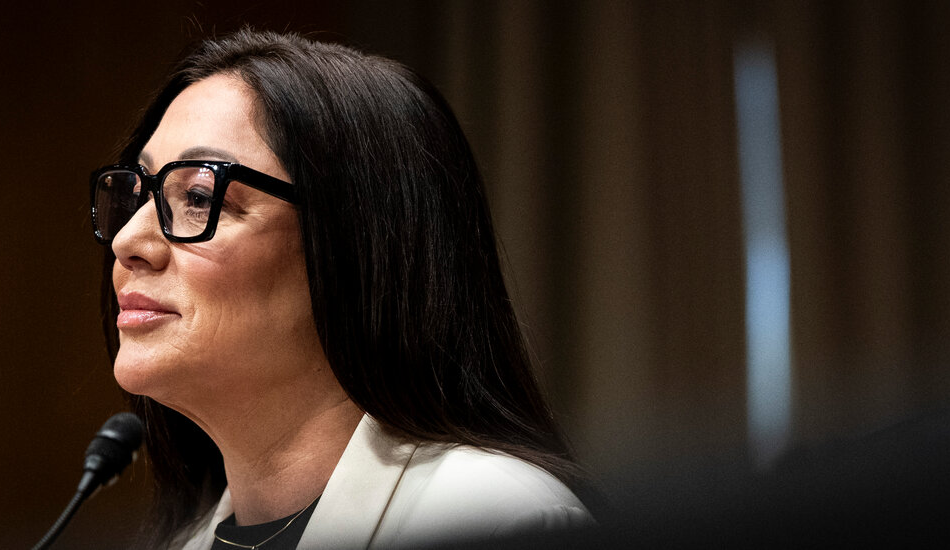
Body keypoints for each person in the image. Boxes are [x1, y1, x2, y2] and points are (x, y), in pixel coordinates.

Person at [91, 29, 593, 549]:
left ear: (356, 243)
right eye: (138, 193)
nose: (128, 241)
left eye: (198, 197)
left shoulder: (498, 520)